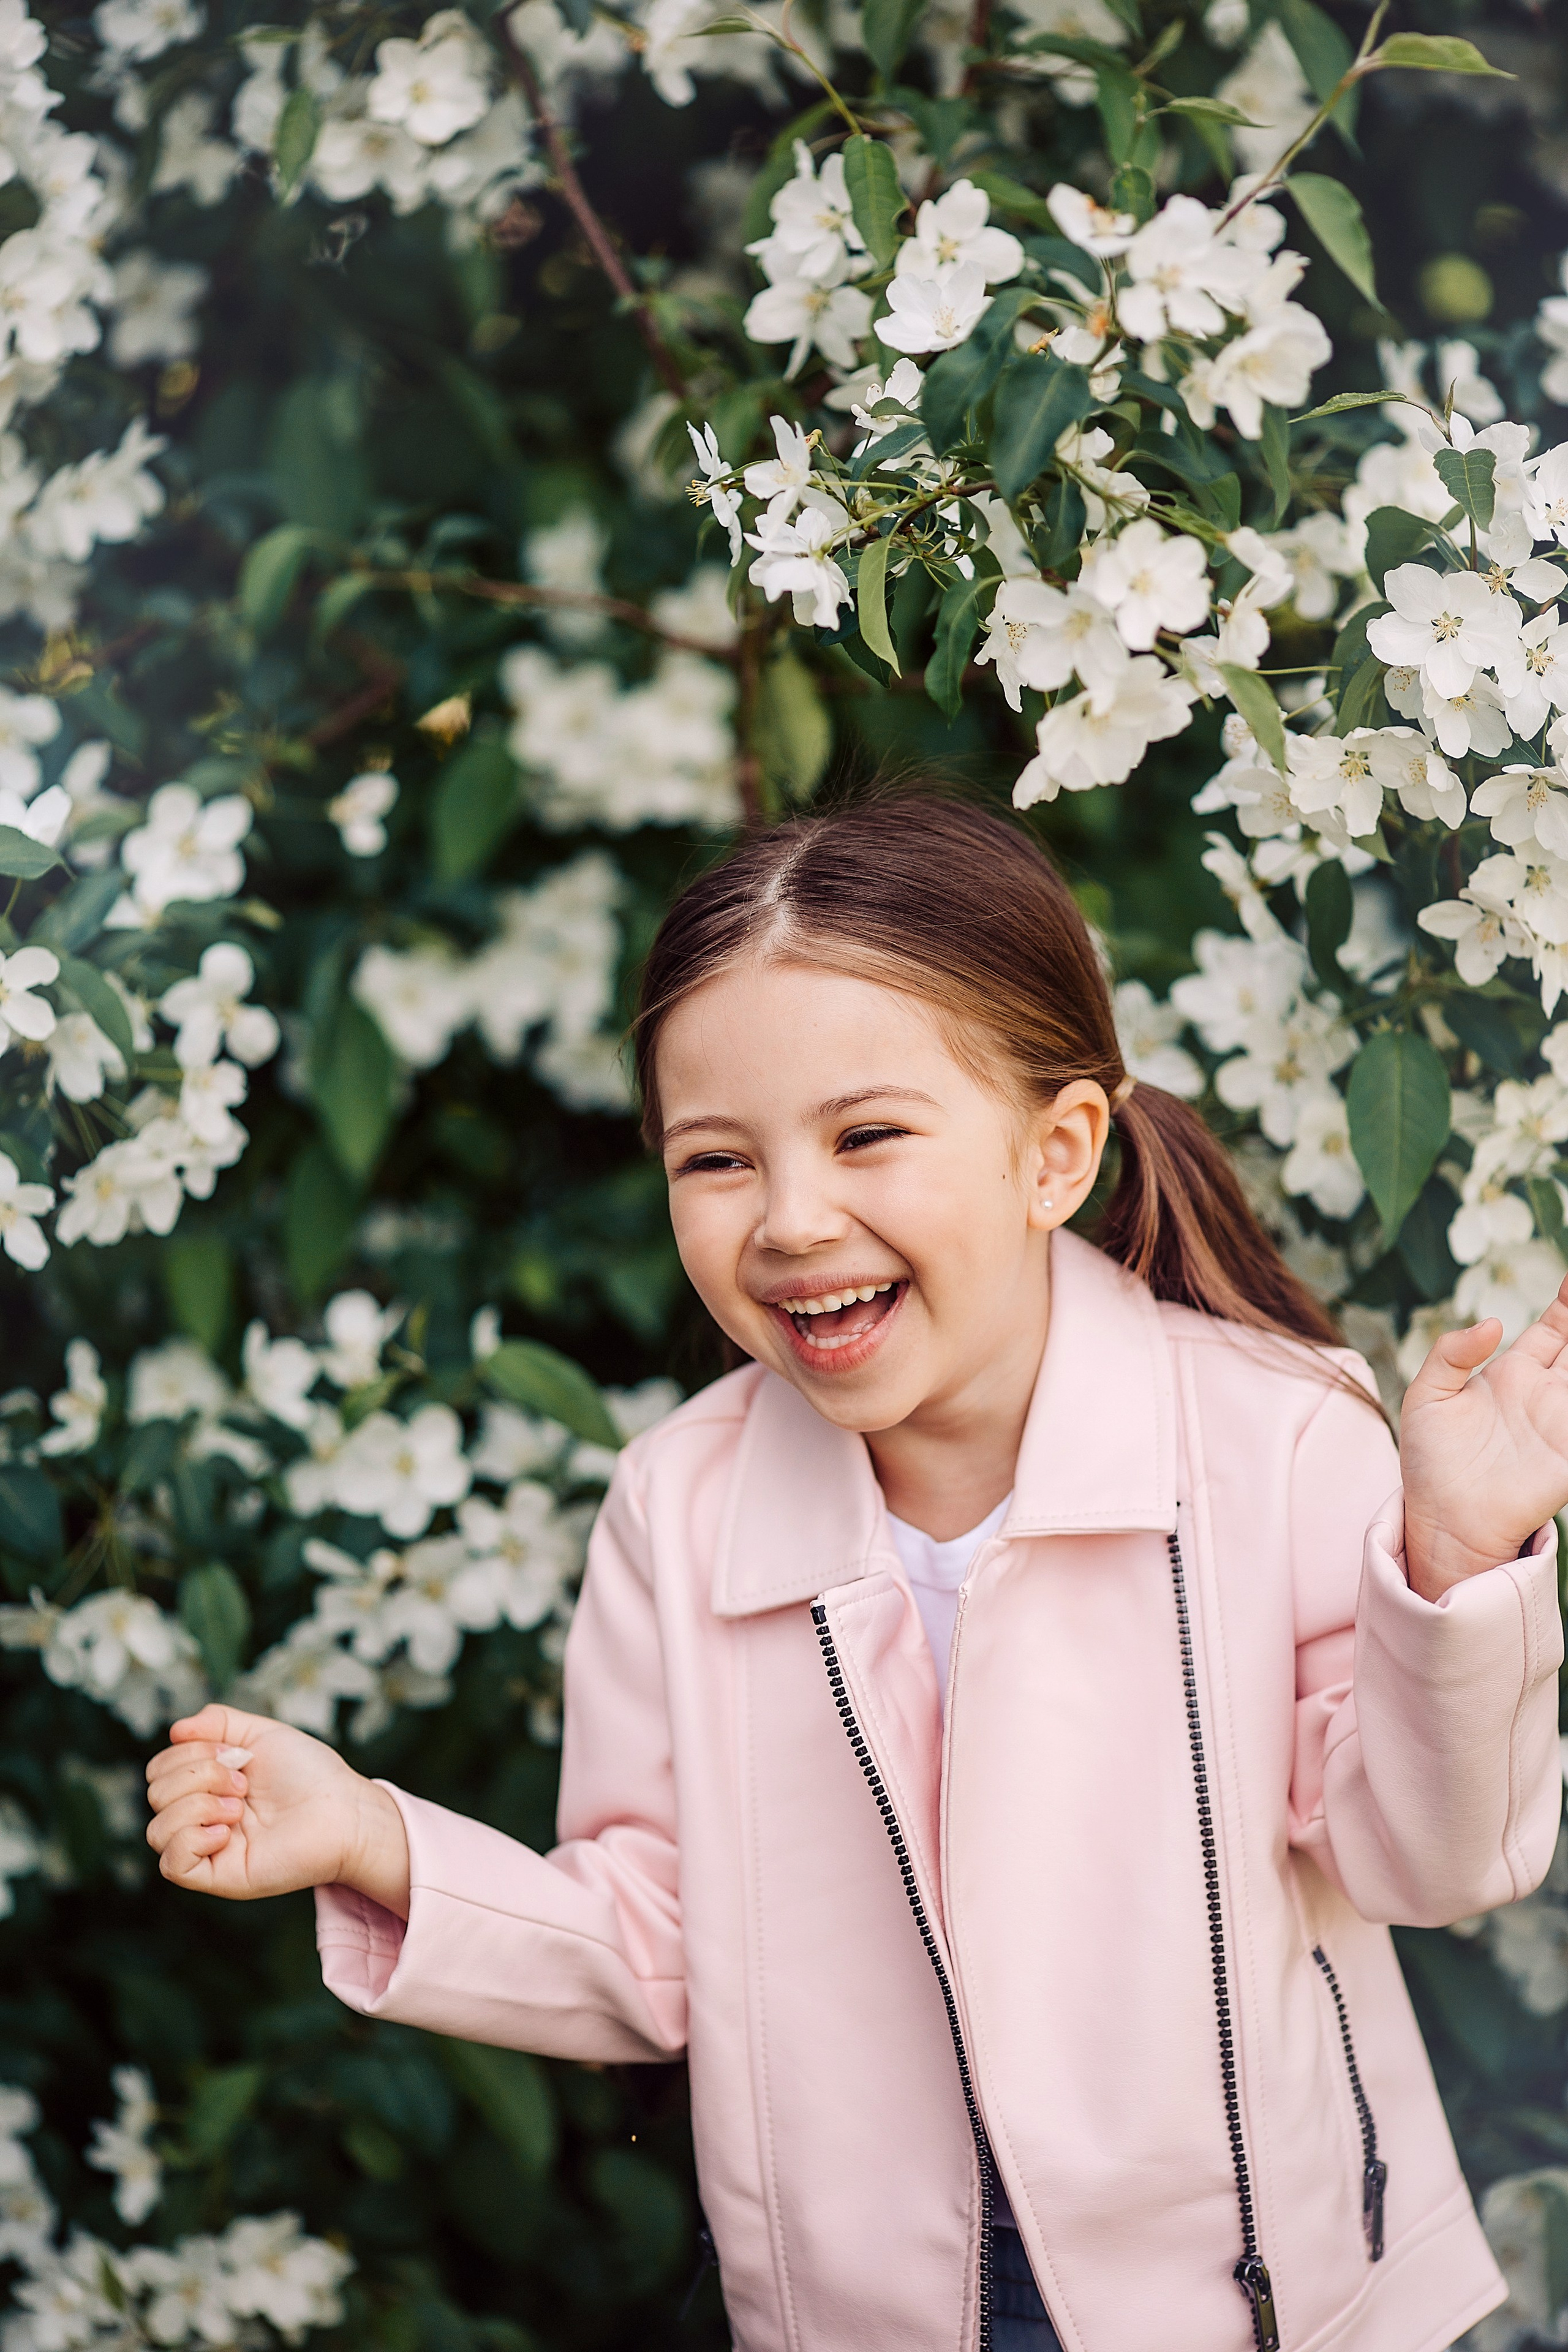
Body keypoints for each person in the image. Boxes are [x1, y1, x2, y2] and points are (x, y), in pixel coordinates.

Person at [146, 795, 1567, 2352]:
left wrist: (1450, 1566)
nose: (792, 1220)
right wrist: (371, 1837)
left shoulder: (1276, 1438)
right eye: (716, 1159)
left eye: (868, 1134)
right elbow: (650, 1938)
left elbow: (1426, 1863)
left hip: (1259, 2305)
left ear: (1055, 1153)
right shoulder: (677, 1508)